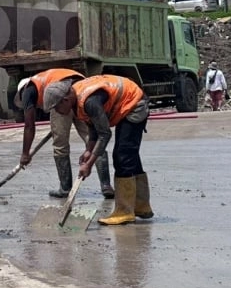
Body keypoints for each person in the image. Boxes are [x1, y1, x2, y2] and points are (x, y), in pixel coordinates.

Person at [42, 74, 153, 226]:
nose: (57, 112)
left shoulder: (89, 101)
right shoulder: (78, 100)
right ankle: (141, 206)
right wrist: (88, 150)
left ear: (65, 100)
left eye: (56, 107)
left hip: (134, 104)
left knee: (123, 156)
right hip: (126, 104)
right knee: (129, 155)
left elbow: (105, 134)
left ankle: (124, 211)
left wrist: (89, 164)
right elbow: (93, 125)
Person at [13, 69, 114, 199]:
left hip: (60, 98)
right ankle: (106, 185)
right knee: (92, 139)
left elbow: (29, 126)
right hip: (81, 94)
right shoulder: (47, 77)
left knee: (60, 145)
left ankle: (65, 188)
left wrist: (25, 154)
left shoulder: (28, 90)